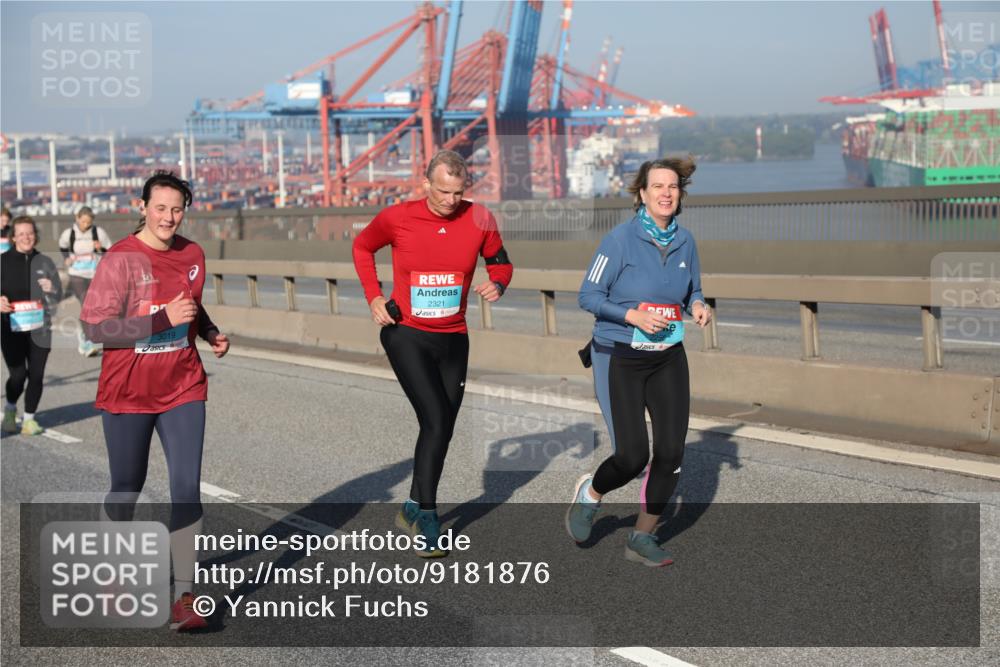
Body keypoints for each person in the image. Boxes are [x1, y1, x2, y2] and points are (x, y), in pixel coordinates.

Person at [80, 171, 230, 631]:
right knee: (127, 485)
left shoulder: (192, 254)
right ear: (141, 207)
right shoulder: (120, 260)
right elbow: (94, 328)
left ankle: (184, 597)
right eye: (160, 208)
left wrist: (207, 331)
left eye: (177, 209)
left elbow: (191, 301)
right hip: (127, 391)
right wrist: (159, 319)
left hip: (183, 386)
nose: (168, 217)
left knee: (187, 488)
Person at [352, 150, 513, 558]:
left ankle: (410, 505)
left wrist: (498, 282)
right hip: (405, 333)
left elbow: (500, 261)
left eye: (458, 192)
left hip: (454, 338)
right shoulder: (398, 217)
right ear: (426, 184)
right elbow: (362, 246)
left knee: (438, 427)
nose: (450, 200)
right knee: (437, 421)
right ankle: (427, 516)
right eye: (442, 191)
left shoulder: (479, 218)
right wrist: (374, 297)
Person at [566, 157, 711, 566]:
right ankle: (590, 494)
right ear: (642, 194)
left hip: (667, 357)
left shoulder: (686, 242)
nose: (666, 193)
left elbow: (692, 289)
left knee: (670, 453)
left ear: (679, 195)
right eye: (658, 186)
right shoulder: (619, 241)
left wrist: (697, 304)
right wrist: (632, 316)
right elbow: (587, 297)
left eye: (673, 187)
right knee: (633, 457)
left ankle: (641, 537)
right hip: (619, 357)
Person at [1, 216, 63, 436]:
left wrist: (52, 288)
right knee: (18, 375)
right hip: (11, 328)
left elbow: (59, 294)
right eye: (22, 233)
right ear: (14, 236)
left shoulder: (45, 261)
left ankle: (29, 419)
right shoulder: (3, 261)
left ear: (35, 235)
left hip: (40, 328)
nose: (27, 237)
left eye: (30, 233)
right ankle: (9, 408)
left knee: (36, 375)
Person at [59, 206, 112, 357]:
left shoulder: (98, 232)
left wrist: (100, 248)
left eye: (88, 222)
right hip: (76, 274)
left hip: (95, 273)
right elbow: (62, 246)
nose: (85, 225)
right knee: (86, 303)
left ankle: (83, 333)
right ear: (77, 218)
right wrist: (67, 259)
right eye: (83, 222)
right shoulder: (69, 233)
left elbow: (109, 250)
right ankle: (88, 341)